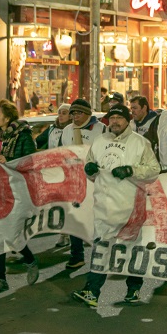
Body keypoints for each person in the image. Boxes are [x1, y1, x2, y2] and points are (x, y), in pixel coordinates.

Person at [71, 105, 161, 307]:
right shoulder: (100, 141)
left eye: (119, 118)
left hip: (130, 206)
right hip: (104, 205)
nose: (115, 122)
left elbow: (154, 170)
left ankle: (133, 290)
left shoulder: (140, 143)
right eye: (112, 118)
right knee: (101, 248)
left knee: (131, 249)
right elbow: (91, 169)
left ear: (128, 120)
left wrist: (131, 170)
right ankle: (92, 292)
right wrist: (90, 169)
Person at [0, 99, 39, 294]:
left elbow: (30, 162)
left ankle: (30, 260)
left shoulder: (23, 135)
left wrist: (9, 160)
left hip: (16, 192)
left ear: (8, 117)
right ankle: (0, 278)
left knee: (11, 234)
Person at [61, 98, 108, 267]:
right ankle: (77, 254)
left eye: (78, 113)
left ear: (87, 113)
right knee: (75, 217)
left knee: (97, 218)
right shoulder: (67, 130)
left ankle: (99, 253)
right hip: (74, 180)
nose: (75, 116)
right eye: (72, 113)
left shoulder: (101, 128)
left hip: (95, 180)